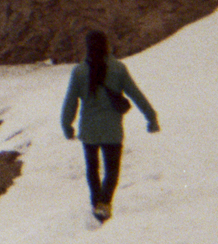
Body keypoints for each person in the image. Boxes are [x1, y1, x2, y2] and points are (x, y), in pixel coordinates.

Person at [61, 29, 159, 222]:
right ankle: (104, 204)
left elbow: (70, 102)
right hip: (112, 131)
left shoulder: (79, 71)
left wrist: (67, 126)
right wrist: (151, 118)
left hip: (88, 131)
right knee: (112, 169)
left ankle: (96, 203)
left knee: (92, 169)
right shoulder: (118, 69)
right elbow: (136, 95)